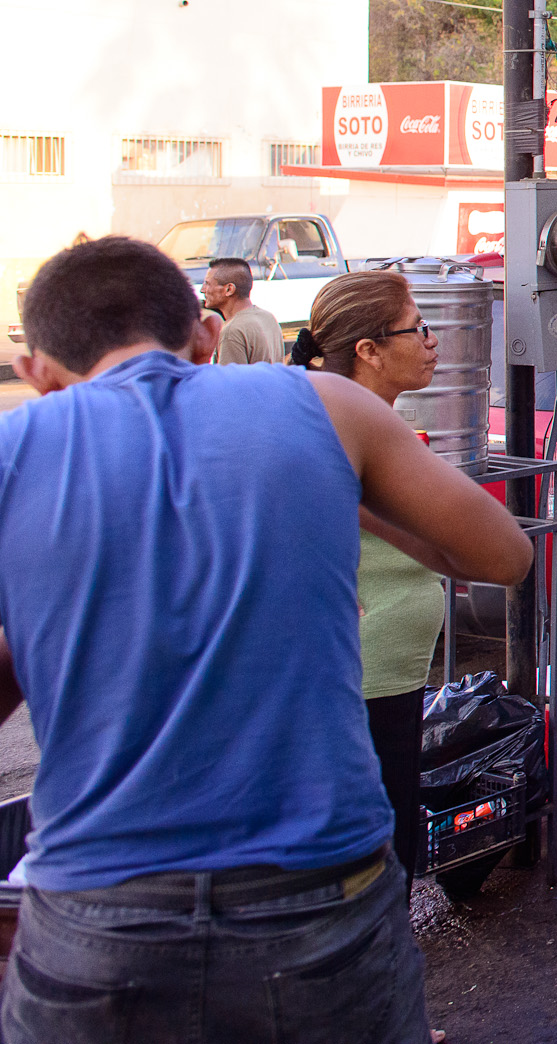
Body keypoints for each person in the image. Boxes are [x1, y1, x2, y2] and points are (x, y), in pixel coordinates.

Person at [0, 236, 530, 1044]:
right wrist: (349, 496)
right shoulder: (324, 407)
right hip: (317, 898)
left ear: (35, 370)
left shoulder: (15, 452)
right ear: (206, 335)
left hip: (96, 911)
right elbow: (503, 556)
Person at [288, 272, 452, 904]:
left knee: (388, 847)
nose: (432, 341)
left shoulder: (369, 424)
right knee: (376, 859)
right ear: (369, 350)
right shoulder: (337, 428)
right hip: (364, 672)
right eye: (418, 328)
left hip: (387, 669)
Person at [203, 256, 286, 364]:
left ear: (229, 289)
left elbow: (231, 375)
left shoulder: (232, 331)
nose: (202, 290)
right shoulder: (268, 317)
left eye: (207, 284)